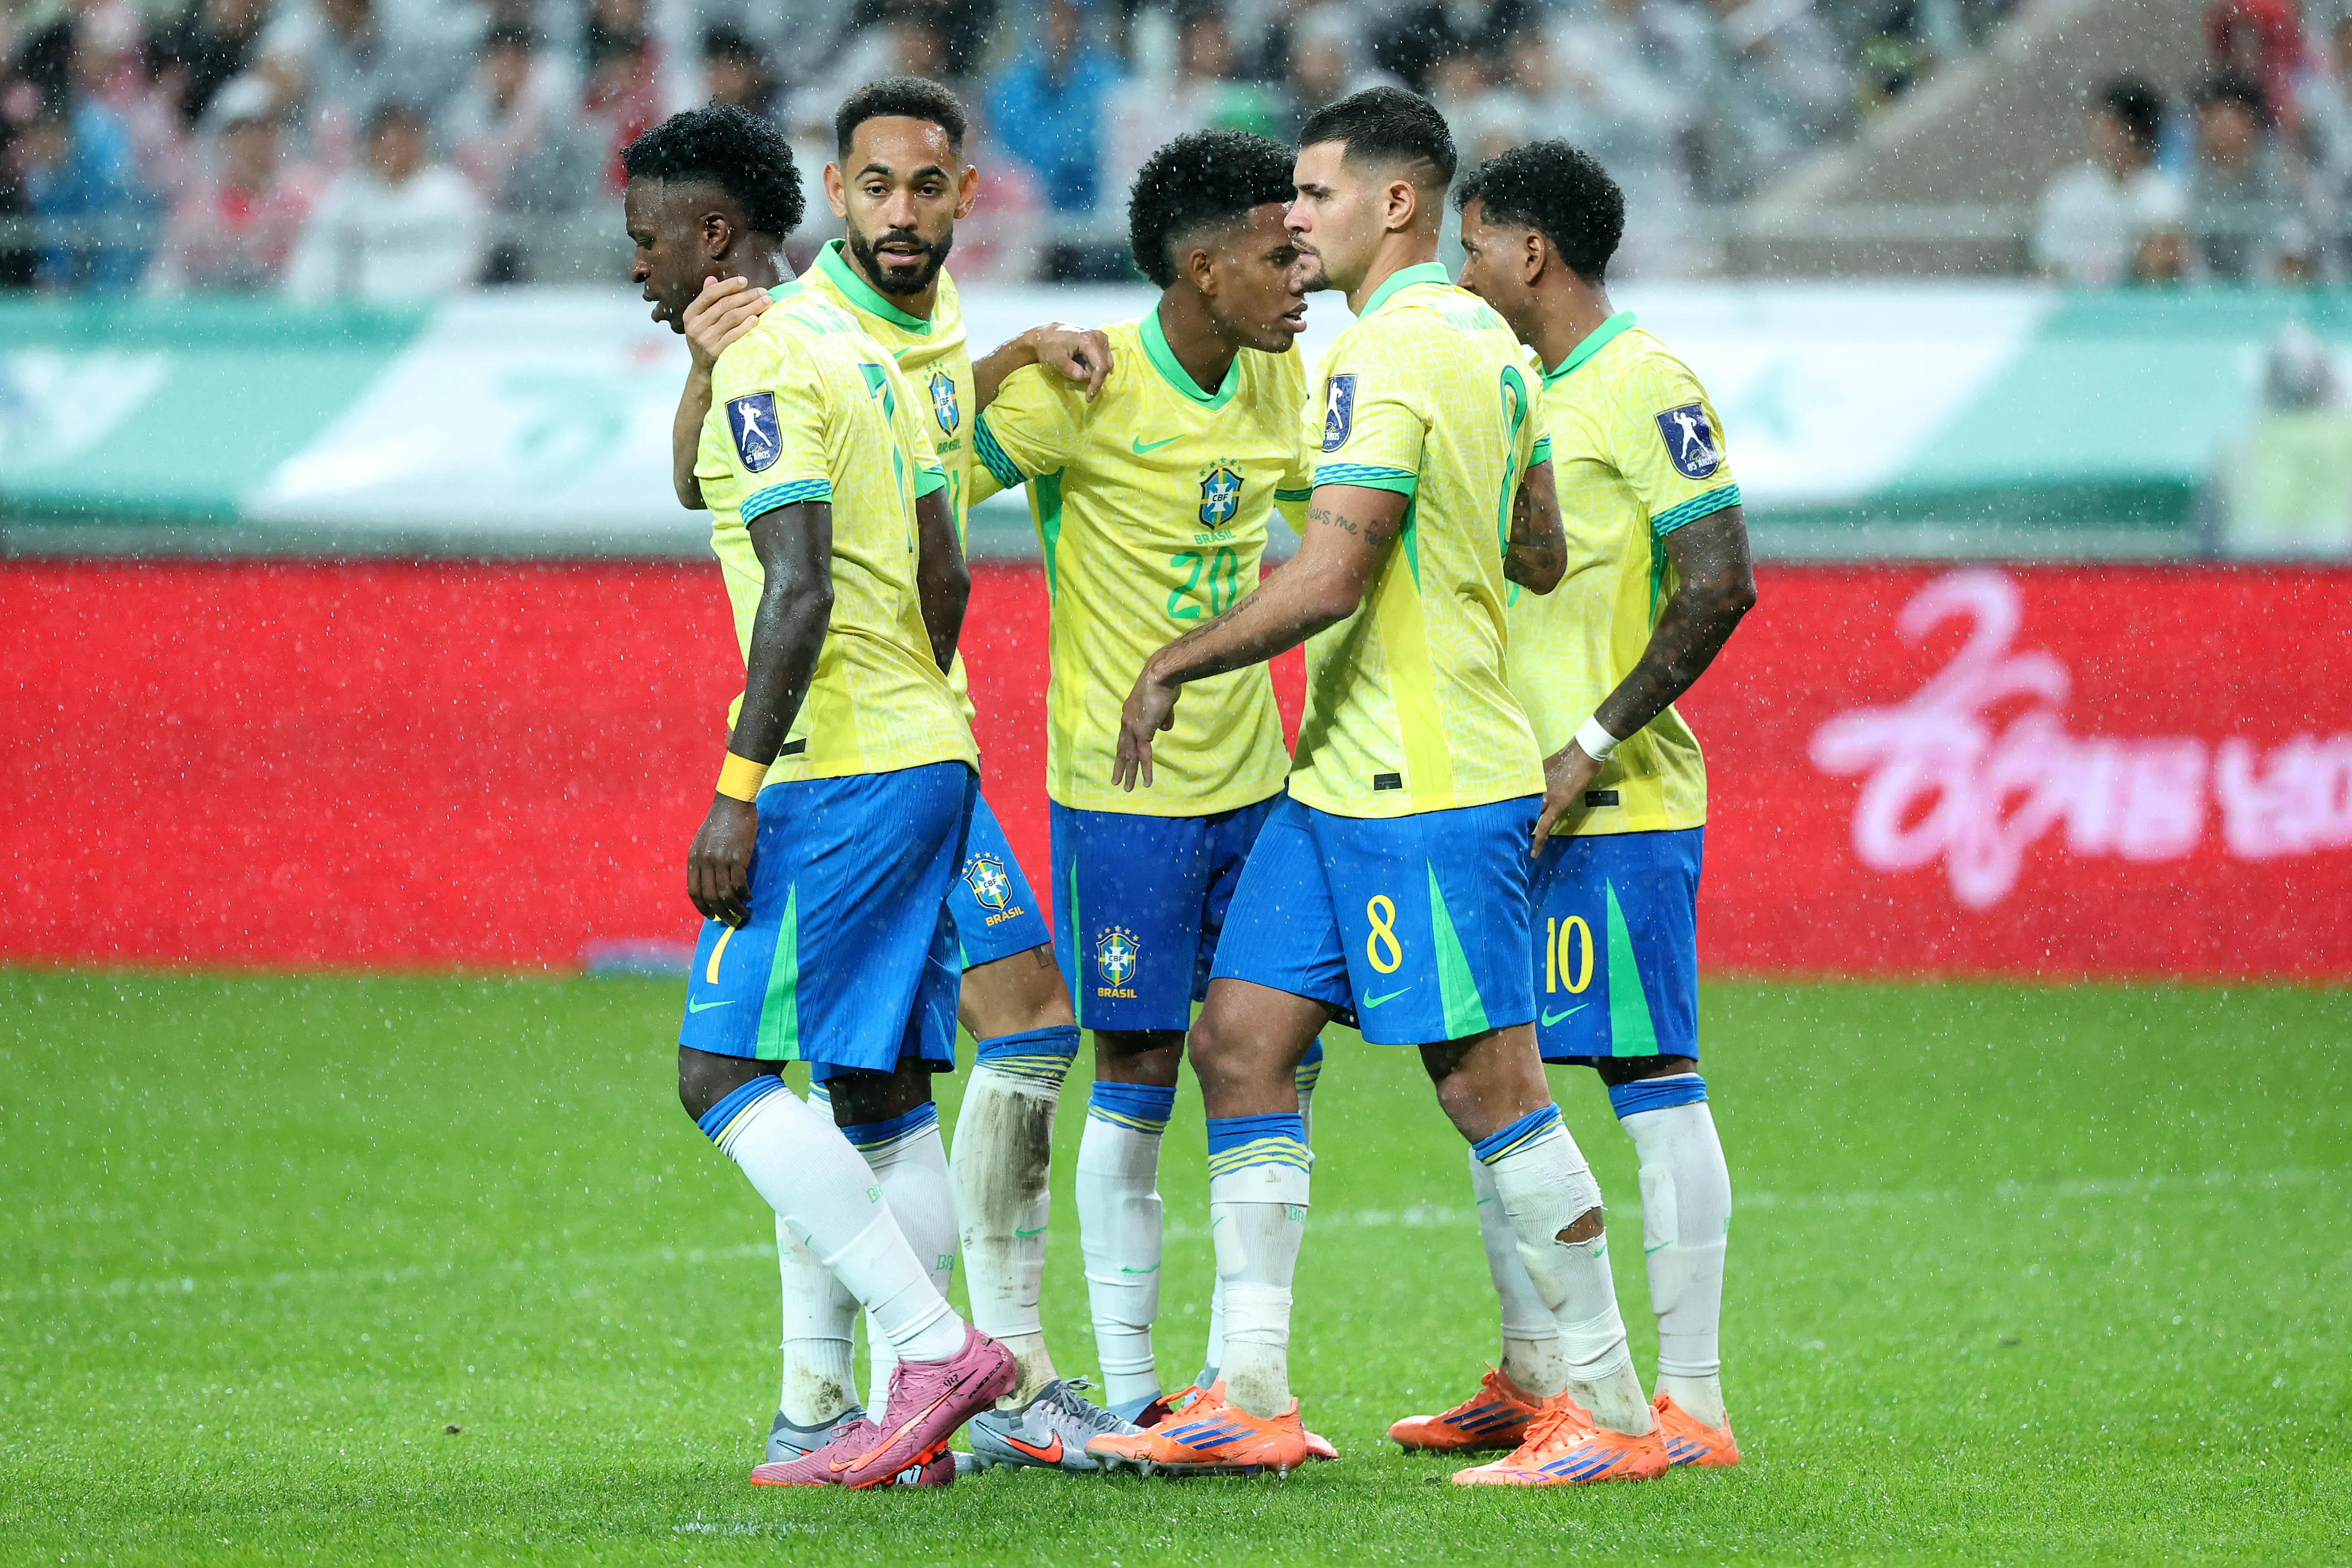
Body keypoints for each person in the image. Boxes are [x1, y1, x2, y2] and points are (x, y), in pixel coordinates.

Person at [1083, 87, 1647, 1487]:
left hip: (1426, 778)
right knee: (1239, 1042)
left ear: (1395, 203)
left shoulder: (1386, 351)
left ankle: (1615, 1409)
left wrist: (1172, 665)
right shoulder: (1491, 343)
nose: (1292, 219)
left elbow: (1330, 576)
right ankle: (1252, 1390)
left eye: (1314, 197)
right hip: (1337, 777)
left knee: (1485, 1081)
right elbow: (1535, 550)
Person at [671, 74, 1129, 1476]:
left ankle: (927, 1379)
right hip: (875, 739)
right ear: (835, 191)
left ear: (963, 195)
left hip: (902, 741)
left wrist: (999, 366)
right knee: (858, 1079)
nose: (901, 212)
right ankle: (854, 1391)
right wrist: (703, 365)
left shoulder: (925, 334)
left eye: (926, 188)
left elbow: (913, 449)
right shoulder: (792, 330)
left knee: (934, 1052)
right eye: (876, 187)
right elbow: (707, 487)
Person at [625, 101, 1017, 1491]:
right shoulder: (861, 347)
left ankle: (929, 1351)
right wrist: (914, 706)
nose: (638, 266)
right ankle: (865, 1418)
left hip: (832, 766)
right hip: (917, 747)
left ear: (715, 235)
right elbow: (944, 569)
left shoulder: (775, 361)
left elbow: (792, 588)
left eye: (649, 240)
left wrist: (740, 786)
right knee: (877, 1094)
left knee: (719, 1071)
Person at [965, 128, 1332, 1437]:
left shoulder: (1279, 382)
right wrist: (1002, 355)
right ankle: (1125, 1389)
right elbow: (911, 476)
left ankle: (1243, 1378)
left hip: (1259, 785)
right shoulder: (1081, 389)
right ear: (1197, 266)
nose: (1302, 275)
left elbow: (1334, 537)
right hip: (1119, 800)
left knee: (1269, 1060)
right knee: (1135, 1060)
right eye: (1275, 253)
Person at [1414, 137, 1754, 1479]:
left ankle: (1689, 1402)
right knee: (1504, 1082)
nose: (1459, 267)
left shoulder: (1642, 384)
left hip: (1614, 804)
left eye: (1473, 243)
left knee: (1644, 1080)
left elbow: (1717, 580)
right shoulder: (1507, 390)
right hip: (1504, 805)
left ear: (1529, 252)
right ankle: (1537, 1374)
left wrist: (1589, 740)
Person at [284, 101, 483, 300]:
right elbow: (316, 260)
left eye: (406, 137)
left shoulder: (450, 194)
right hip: (360, 317)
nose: (396, 148)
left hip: (434, 314)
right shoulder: (347, 197)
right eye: (387, 139)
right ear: (371, 145)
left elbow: (466, 261)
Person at [147, 75, 321, 294]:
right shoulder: (198, 207)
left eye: (265, 131)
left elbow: (317, 276)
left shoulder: (304, 196)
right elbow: (166, 280)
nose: (256, 144)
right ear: (225, 140)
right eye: (245, 133)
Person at [2031, 77, 2186, 286]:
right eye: (2099, 125)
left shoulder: (2164, 196)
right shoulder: (2068, 192)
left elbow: (2167, 270)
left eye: (2110, 127)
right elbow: (2046, 264)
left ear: (2135, 133)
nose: (2099, 135)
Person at [2186, 69, 2310, 281]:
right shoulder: (2191, 176)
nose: (2215, 127)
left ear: (2250, 121)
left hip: (2268, 292)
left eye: (2224, 116)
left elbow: (2296, 238)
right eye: (2208, 117)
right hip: (2209, 294)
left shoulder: (2281, 173)